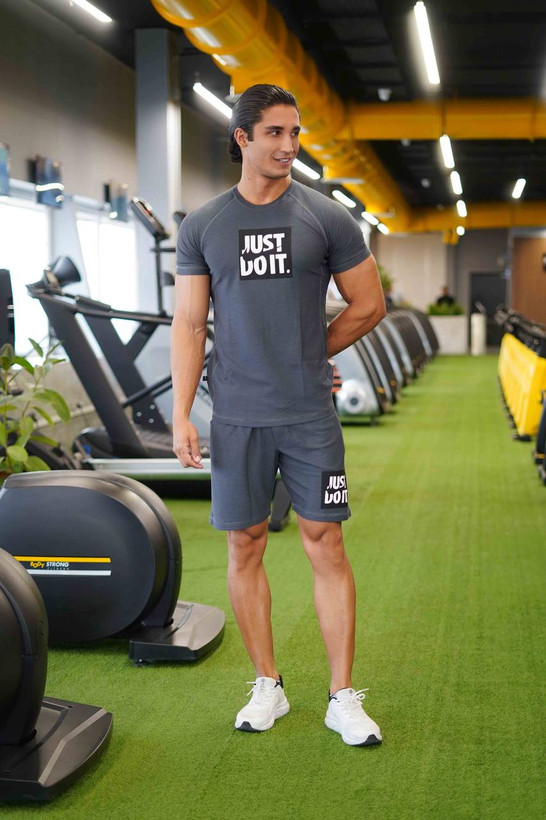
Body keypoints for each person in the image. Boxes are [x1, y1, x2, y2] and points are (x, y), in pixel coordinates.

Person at [172, 84, 386, 747]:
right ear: (242, 137)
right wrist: (181, 413)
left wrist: (313, 353)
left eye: (295, 133)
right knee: (245, 544)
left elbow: (368, 304)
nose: (289, 145)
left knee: (326, 541)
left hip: (307, 414)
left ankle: (342, 696)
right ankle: (267, 684)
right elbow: (190, 321)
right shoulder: (203, 225)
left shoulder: (326, 217)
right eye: (274, 132)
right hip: (236, 415)